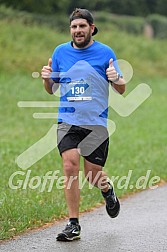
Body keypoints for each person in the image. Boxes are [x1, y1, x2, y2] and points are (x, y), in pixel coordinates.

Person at [41, 8, 125, 242]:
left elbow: (121, 88)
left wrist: (115, 76)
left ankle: (107, 191)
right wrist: (47, 79)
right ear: (71, 30)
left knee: (92, 175)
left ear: (91, 28)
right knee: (70, 167)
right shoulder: (60, 52)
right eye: (74, 27)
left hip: (96, 124)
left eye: (82, 26)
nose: (78, 31)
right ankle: (73, 224)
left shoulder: (105, 52)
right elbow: (51, 90)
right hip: (67, 121)